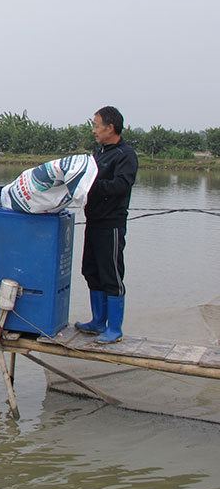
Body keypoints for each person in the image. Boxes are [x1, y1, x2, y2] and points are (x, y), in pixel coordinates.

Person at [75, 106, 138, 343]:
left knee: (111, 273)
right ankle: (98, 321)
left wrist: (91, 186)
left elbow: (121, 185)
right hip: (93, 221)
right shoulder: (99, 154)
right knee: (91, 270)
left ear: (110, 127)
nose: (93, 130)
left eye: (96, 125)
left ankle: (115, 329)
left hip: (111, 223)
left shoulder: (125, 155)